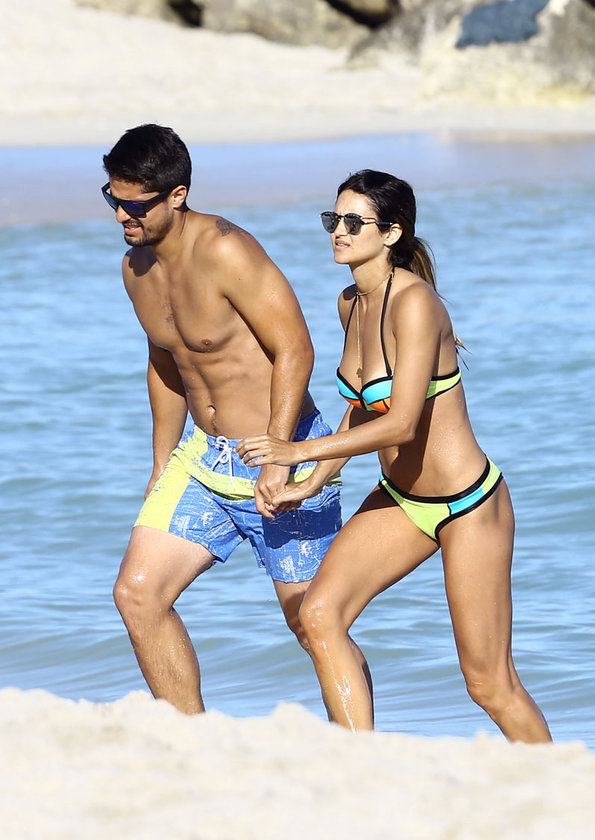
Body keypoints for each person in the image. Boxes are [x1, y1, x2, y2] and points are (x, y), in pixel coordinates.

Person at [237, 169, 552, 743]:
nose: (339, 231)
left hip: (467, 506)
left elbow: (402, 421)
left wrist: (295, 450)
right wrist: (313, 479)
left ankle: (564, 788)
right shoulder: (349, 303)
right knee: (318, 615)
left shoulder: (416, 303)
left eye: (353, 222)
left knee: (489, 684)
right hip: (402, 500)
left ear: (391, 233)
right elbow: (364, 408)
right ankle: (361, 768)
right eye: (333, 219)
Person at [102, 123, 353, 715]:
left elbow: (296, 348)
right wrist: (161, 462)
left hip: (283, 452)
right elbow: (166, 363)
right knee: (138, 594)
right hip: (202, 456)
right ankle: (191, 740)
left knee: (313, 624)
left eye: (136, 205)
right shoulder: (135, 269)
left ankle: (359, 748)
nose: (121, 216)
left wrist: (279, 454)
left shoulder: (226, 250)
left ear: (177, 196)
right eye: (113, 199)